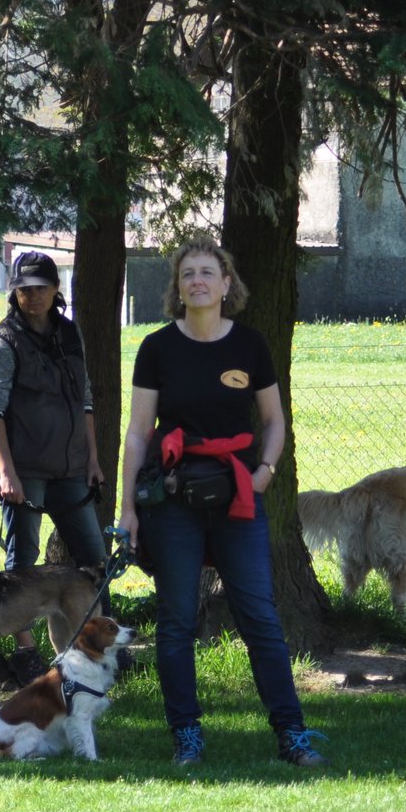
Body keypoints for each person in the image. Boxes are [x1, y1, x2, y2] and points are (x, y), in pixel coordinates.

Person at [119, 238, 325, 768]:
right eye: (188, 273)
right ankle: (186, 735)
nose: (198, 281)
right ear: (177, 286)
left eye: (207, 273)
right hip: (174, 500)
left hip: (239, 498)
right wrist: (128, 510)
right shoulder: (157, 348)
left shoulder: (250, 346)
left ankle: (292, 734)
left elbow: (274, 421)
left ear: (226, 284)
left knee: (260, 618)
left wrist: (264, 474)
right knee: (176, 621)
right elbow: (138, 434)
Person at [0, 251, 107, 681]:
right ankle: (26, 654)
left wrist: (92, 458)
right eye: (24, 289)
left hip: (72, 467)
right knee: (21, 566)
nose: (32, 295)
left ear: (56, 290)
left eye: (40, 288)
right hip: (25, 469)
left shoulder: (70, 333)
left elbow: (85, 399)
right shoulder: (2, 342)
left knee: (96, 561)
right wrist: (4, 471)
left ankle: (99, 651)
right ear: (14, 292)